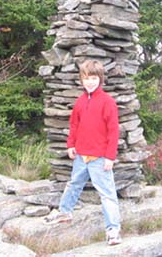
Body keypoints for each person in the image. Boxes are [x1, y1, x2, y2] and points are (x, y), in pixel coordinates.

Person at [44, 59, 121, 246]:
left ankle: (113, 230)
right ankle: (65, 212)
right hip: (81, 155)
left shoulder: (107, 102)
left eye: (94, 78)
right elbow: (74, 125)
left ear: (100, 79)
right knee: (73, 184)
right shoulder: (79, 101)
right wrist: (71, 145)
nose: (90, 82)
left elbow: (113, 131)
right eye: (86, 78)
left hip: (100, 158)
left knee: (107, 194)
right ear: (81, 79)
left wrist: (110, 156)